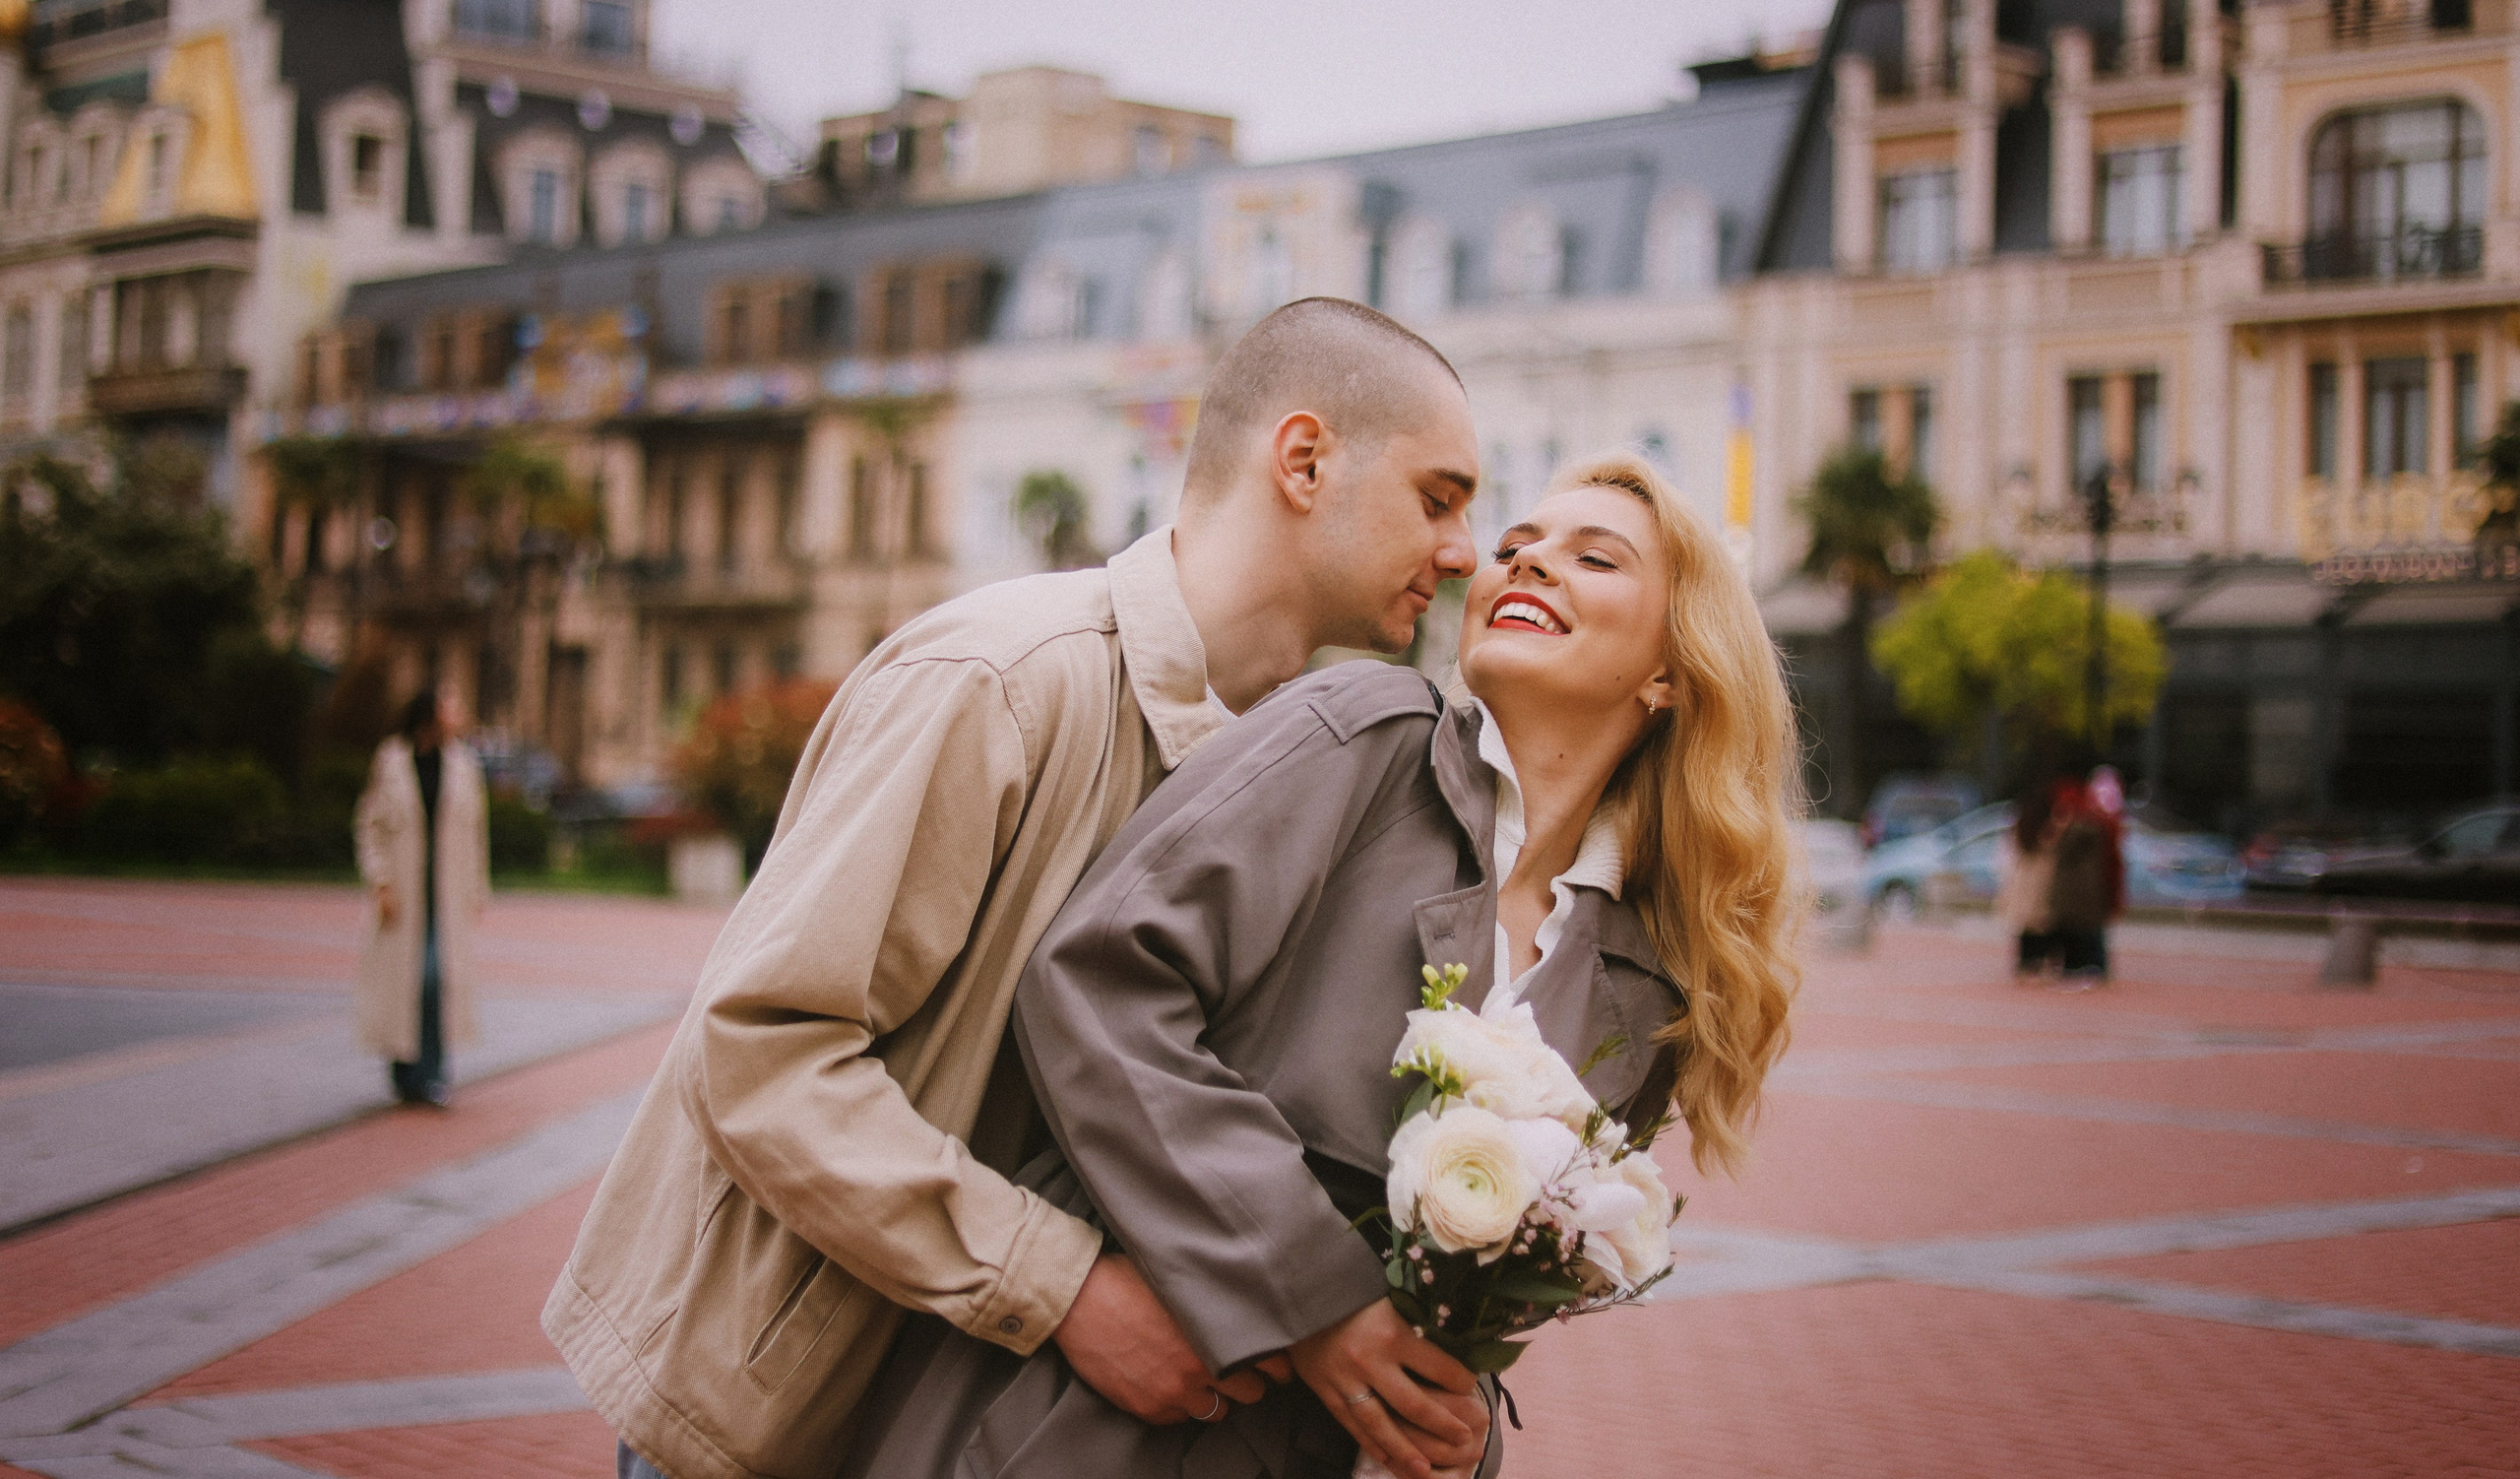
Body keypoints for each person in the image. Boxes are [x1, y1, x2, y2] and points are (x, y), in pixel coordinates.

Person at [546, 298, 1493, 1479]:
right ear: (1303, 461)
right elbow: (762, 1053)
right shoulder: (1001, 680)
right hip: (780, 1436)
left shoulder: (1298, 769)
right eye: (1440, 497)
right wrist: (1064, 1292)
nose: (1465, 551)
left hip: (959, 1427)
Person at [839, 454, 1807, 1479]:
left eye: (1593, 558)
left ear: (1668, 669)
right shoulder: (1363, 738)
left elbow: (1481, 1288)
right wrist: (1315, 1300)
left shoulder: (1641, 992)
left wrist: (1459, 1430)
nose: (1523, 566)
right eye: (1516, 547)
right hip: (1089, 1419)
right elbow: (1098, 976)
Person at [353, 687, 488, 1107]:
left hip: (445, 894)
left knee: (435, 979)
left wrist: (477, 887)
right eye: (450, 707)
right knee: (406, 982)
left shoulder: (463, 765)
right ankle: (405, 1072)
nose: (458, 715)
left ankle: (432, 1072)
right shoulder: (391, 760)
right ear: (430, 714)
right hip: (405, 893)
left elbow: (476, 833)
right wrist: (380, 883)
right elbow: (369, 825)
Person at [2047, 770, 2124, 987]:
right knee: (2088, 929)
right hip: (2089, 888)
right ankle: (2092, 966)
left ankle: (2083, 968)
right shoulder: (2096, 820)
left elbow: (2062, 851)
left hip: (2078, 889)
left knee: (2079, 930)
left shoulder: (2079, 823)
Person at [2001, 780, 2059, 979]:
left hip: (2022, 878)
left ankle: (2026, 964)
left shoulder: (2021, 824)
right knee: (2043, 923)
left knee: (2025, 924)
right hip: (2043, 876)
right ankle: (2044, 962)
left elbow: (2009, 851)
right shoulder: (2051, 825)